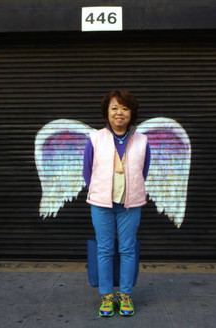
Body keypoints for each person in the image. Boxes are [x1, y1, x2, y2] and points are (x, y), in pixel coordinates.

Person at [83, 90, 151, 317]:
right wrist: (99, 191)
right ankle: (106, 297)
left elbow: (144, 169)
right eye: (114, 108)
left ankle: (125, 296)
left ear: (132, 113)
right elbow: (87, 170)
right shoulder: (95, 138)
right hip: (101, 203)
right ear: (107, 113)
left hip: (130, 205)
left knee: (128, 249)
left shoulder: (142, 140)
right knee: (104, 249)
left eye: (124, 108)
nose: (119, 113)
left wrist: (132, 188)